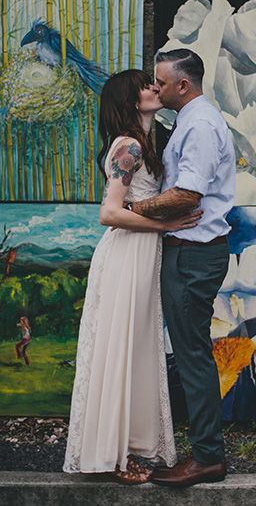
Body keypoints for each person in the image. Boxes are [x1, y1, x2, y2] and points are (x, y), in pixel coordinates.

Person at [63, 69, 202, 485]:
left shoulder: (142, 144)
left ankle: (127, 446)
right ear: (129, 99)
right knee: (121, 349)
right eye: (146, 86)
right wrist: (164, 226)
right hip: (127, 254)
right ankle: (113, 456)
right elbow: (109, 212)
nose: (154, 89)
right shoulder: (129, 147)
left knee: (136, 348)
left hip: (140, 255)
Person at [128, 49, 236, 487]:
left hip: (194, 254)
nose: (155, 87)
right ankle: (204, 452)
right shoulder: (189, 122)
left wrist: (131, 207)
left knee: (192, 357)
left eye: (161, 81)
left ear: (183, 86)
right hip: (185, 252)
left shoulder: (202, 125)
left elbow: (186, 195)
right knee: (191, 355)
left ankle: (208, 458)